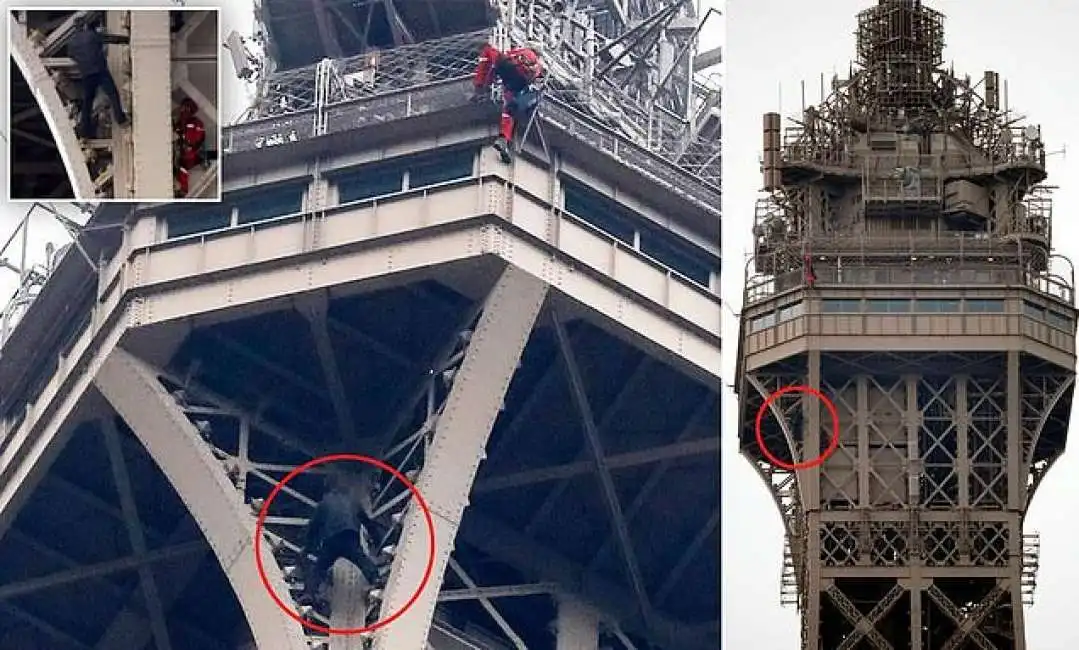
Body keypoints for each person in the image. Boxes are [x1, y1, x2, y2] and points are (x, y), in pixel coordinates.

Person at [299, 471, 387, 608]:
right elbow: (366, 521)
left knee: (318, 568)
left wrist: (308, 548)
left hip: (331, 540)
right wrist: (377, 539)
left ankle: (309, 593)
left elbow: (314, 527)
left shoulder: (324, 503)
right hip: (349, 536)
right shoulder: (352, 501)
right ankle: (375, 579)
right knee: (361, 559)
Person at [472, 41, 546, 163]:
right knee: (508, 110)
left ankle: (479, 87)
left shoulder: (520, 52)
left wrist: (487, 83)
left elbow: (497, 64)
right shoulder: (538, 65)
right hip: (519, 82)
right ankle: (503, 139)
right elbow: (538, 85)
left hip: (509, 68)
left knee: (488, 51)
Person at [67, 13, 129, 139]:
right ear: (84, 25)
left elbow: (71, 55)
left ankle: (84, 130)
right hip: (100, 70)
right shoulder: (91, 35)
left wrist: (82, 62)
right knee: (112, 94)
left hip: (86, 74)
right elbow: (110, 39)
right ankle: (120, 119)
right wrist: (126, 40)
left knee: (87, 104)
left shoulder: (72, 43)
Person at [173, 98, 207, 198]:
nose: (181, 110)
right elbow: (178, 132)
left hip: (192, 151)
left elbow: (199, 136)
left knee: (183, 165)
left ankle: (183, 189)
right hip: (184, 150)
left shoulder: (195, 122)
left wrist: (191, 146)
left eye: (184, 107)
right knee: (180, 165)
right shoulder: (181, 123)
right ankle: (181, 189)